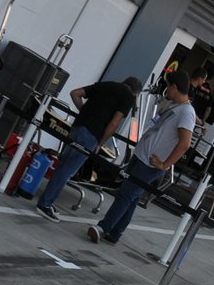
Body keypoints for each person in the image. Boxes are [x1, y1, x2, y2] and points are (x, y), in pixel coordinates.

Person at [88, 70, 196, 245]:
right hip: (142, 156)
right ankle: (116, 232)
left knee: (126, 194)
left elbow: (184, 143)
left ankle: (103, 227)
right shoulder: (173, 106)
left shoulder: (186, 112)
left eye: (168, 86)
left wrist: (164, 164)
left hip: (151, 163)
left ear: (175, 87)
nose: (166, 89)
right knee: (131, 196)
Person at [34, 77, 142, 221]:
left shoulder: (106, 84)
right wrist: (101, 142)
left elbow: (75, 93)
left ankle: (48, 200)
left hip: (77, 127)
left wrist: (84, 112)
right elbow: (114, 123)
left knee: (64, 165)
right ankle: (45, 204)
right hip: (92, 134)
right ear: (135, 92)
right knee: (67, 170)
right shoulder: (128, 97)